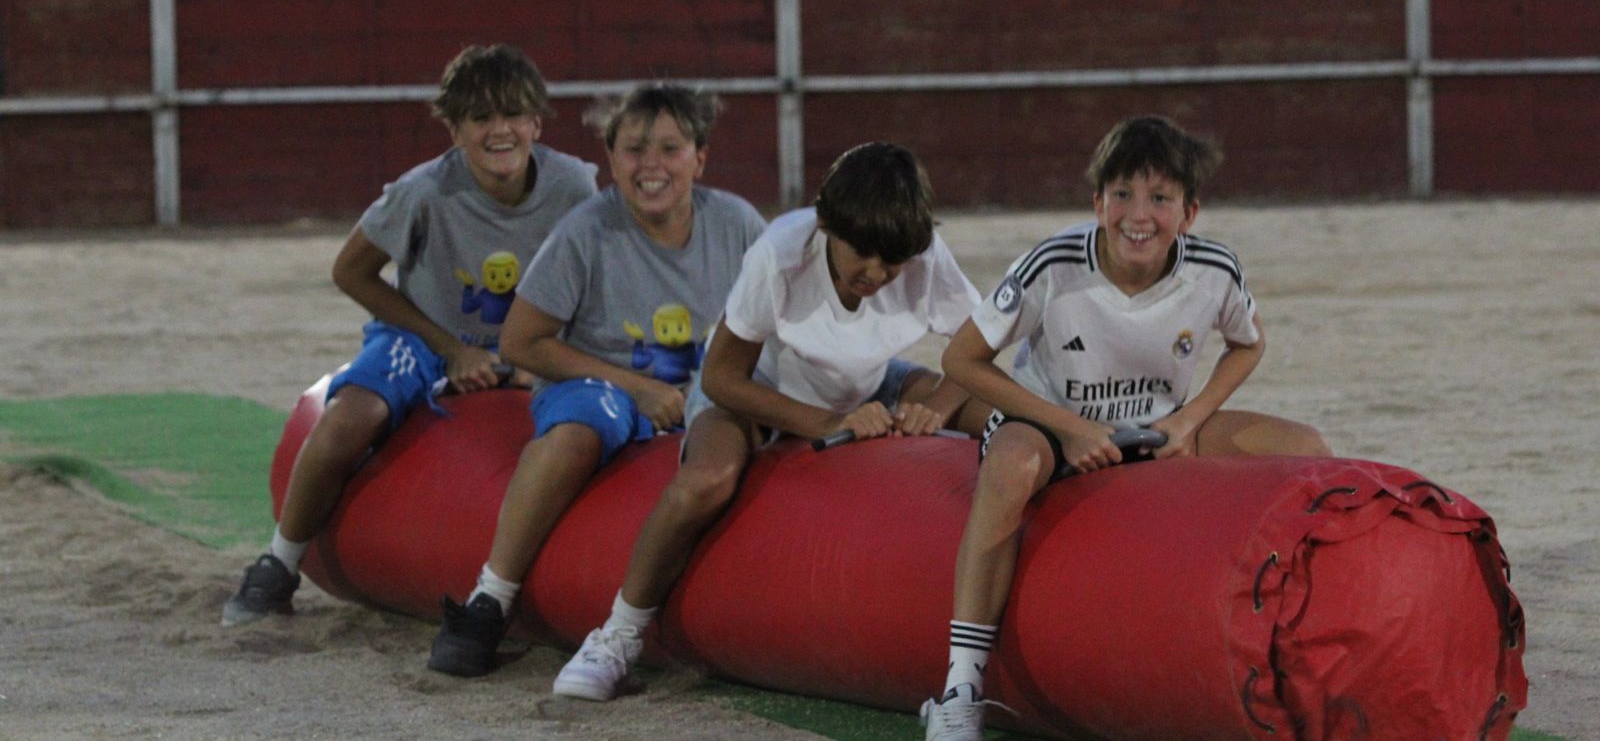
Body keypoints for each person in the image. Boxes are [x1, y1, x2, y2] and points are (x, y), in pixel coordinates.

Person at [920, 115, 1329, 741]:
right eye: (1122, 196)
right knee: (1011, 464)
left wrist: (1191, 419)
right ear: (1097, 203)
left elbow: (1249, 344)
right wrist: (1071, 428)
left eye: (1160, 198)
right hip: (1048, 424)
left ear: (1189, 213)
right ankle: (961, 688)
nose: (1139, 215)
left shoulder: (1216, 269)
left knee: (1306, 450)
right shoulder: (1052, 263)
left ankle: (1310, 646)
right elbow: (961, 359)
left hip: (1155, 432)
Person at [549, 142, 988, 703]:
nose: (878, 273)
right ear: (828, 224)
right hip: (757, 390)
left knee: (991, 407)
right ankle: (618, 634)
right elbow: (721, 377)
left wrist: (942, 406)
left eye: (894, 261)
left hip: (869, 383)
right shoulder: (781, 252)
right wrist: (830, 421)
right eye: (864, 255)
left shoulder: (919, 248)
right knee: (706, 480)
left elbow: (983, 346)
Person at [221, 45, 598, 627]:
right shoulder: (423, 192)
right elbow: (350, 270)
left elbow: (597, 279)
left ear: (536, 124)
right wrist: (450, 348)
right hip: (425, 338)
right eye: (480, 119)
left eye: (512, 116)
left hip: (534, 344)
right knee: (352, 416)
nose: (499, 131)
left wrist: (538, 357)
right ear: (454, 130)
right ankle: (279, 562)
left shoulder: (575, 186)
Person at [426, 83, 767, 678]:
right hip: (598, 383)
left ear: (700, 157)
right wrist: (635, 388)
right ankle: (491, 597)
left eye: (669, 148)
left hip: (706, 393)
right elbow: (520, 342)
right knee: (582, 428)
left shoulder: (737, 223)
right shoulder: (585, 231)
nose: (651, 166)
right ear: (610, 159)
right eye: (634, 150)